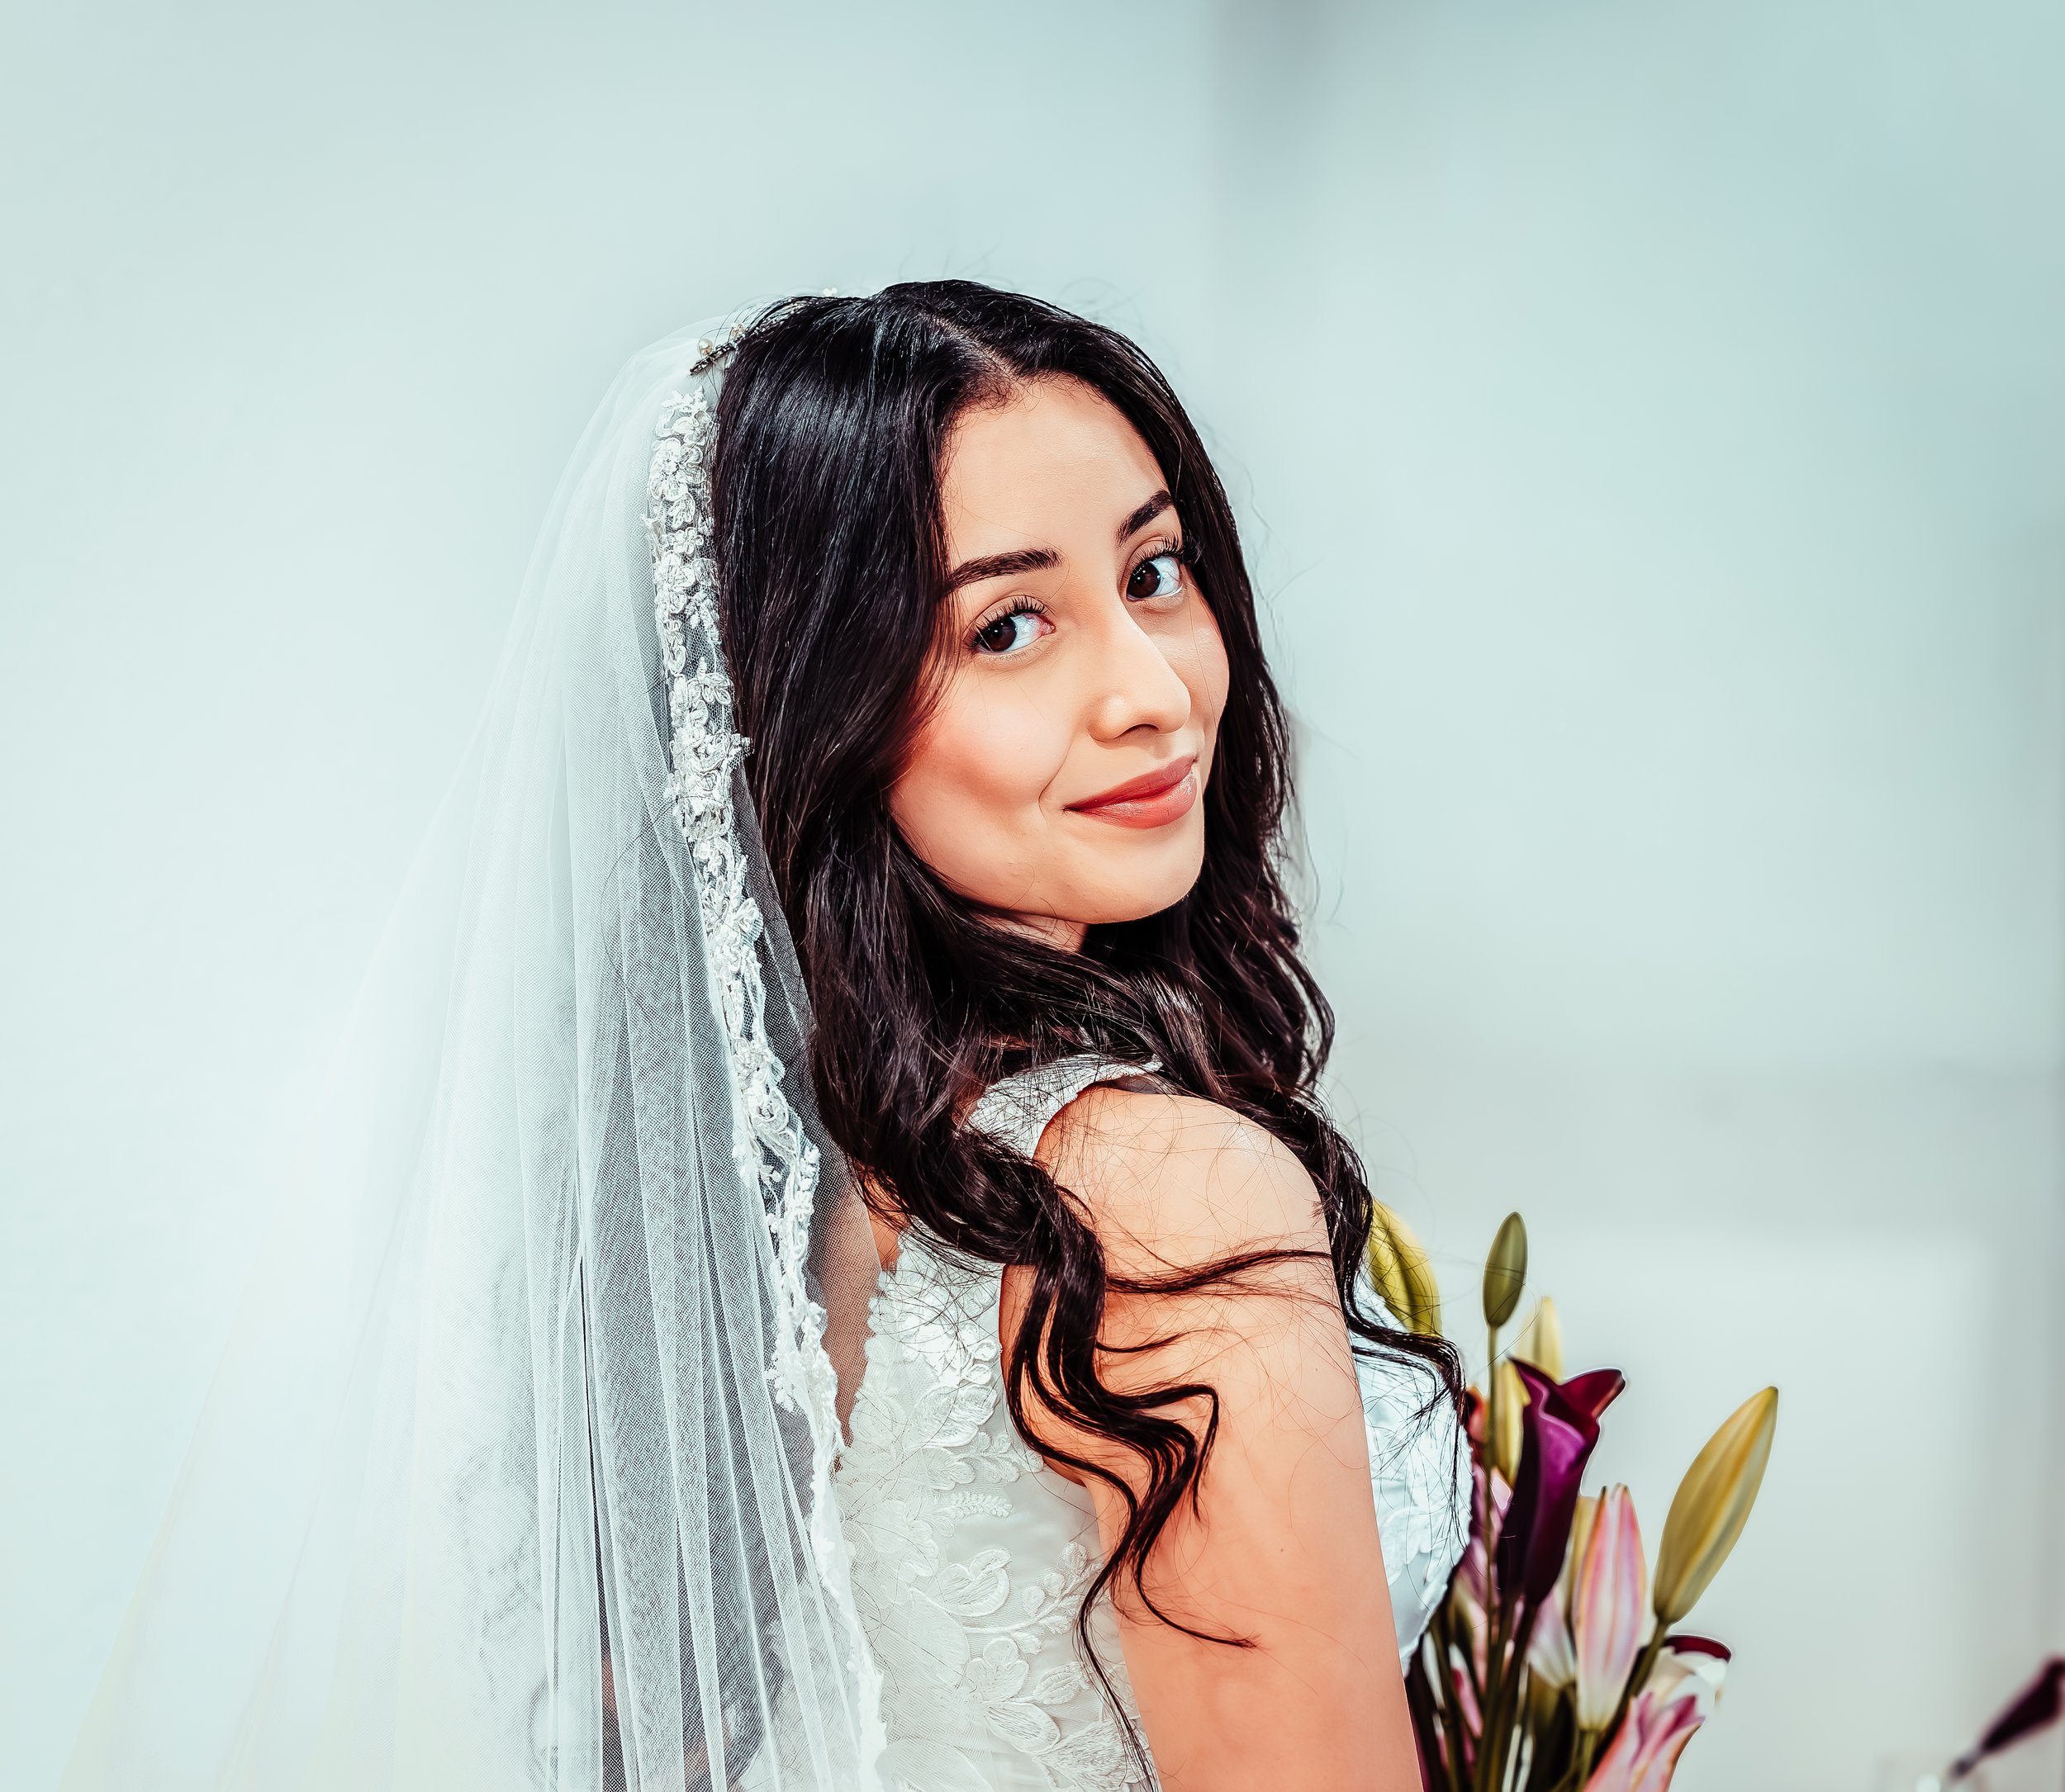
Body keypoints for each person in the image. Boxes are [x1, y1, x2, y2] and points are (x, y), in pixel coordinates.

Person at [62, 282, 1467, 1792]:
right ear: (814, 712)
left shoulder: (754, 1201)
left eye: (1155, 567)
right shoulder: (1153, 1193)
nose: (1150, 689)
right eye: (1008, 625)